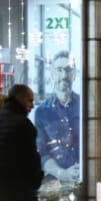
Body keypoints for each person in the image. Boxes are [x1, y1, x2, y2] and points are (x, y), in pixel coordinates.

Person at [33, 51, 80, 184]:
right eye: (59, 70)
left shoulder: (85, 106)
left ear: (74, 74)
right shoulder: (42, 112)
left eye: (68, 70)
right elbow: (42, 152)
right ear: (52, 74)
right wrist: (62, 173)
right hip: (55, 183)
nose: (64, 75)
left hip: (85, 178)